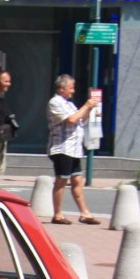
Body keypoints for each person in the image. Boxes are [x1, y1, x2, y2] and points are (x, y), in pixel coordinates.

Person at [46, 75, 103, 225]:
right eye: (71, 88)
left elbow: (79, 120)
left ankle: (85, 213)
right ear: (61, 88)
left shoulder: (69, 104)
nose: (73, 91)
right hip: (62, 148)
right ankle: (57, 214)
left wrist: (90, 108)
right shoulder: (55, 102)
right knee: (61, 180)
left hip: (75, 149)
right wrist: (85, 105)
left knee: (77, 180)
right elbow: (70, 120)